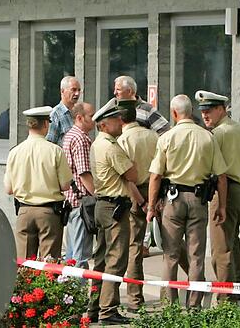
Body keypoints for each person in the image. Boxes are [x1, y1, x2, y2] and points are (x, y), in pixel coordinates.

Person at [146, 95, 227, 308]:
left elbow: (155, 175)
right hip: (199, 200)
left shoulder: (167, 138)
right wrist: (223, 206)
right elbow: (221, 176)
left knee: (170, 255)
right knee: (196, 255)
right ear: (191, 112)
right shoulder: (208, 137)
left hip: (173, 200)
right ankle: (194, 305)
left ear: (174, 114)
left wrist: (151, 207)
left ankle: (169, 304)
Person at [197, 90, 240, 301]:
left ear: (222, 109)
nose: (205, 115)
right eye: (203, 111)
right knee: (232, 240)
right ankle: (238, 286)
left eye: (210, 110)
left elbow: (208, 166)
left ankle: (225, 296)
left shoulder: (218, 133)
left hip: (227, 190)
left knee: (220, 248)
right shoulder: (236, 127)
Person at [86, 101, 136, 325]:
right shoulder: (111, 146)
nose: (120, 122)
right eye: (116, 119)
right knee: (116, 259)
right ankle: (108, 310)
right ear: (104, 125)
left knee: (100, 259)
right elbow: (132, 174)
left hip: (103, 205)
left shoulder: (98, 143)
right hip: (114, 207)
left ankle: (94, 307)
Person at [5, 106, 72, 259]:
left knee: (24, 265)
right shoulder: (55, 151)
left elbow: (8, 188)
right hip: (49, 213)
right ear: (46, 124)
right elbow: (65, 185)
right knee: (48, 265)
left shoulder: (15, 152)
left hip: (24, 211)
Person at [115, 99, 158, 312]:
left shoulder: (121, 141)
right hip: (157, 189)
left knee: (134, 246)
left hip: (134, 194)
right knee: (172, 242)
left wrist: (141, 202)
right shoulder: (153, 136)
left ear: (120, 119)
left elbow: (125, 178)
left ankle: (134, 300)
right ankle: (184, 291)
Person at [61, 102, 96, 268]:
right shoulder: (80, 139)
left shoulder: (70, 135)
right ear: (79, 118)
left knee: (72, 254)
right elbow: (84, 173)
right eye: (91, 116)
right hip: (81, 203)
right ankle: (77, 292)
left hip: (72, 201)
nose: (94, 119)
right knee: (80, 256)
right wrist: (96, 194)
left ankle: (69, 291)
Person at [46, 76, 82, 146]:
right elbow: (50, 145)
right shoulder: (55, 114)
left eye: (79, 90)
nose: (77, 93)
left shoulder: (79, 112)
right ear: (62, 91)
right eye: (73, 90)